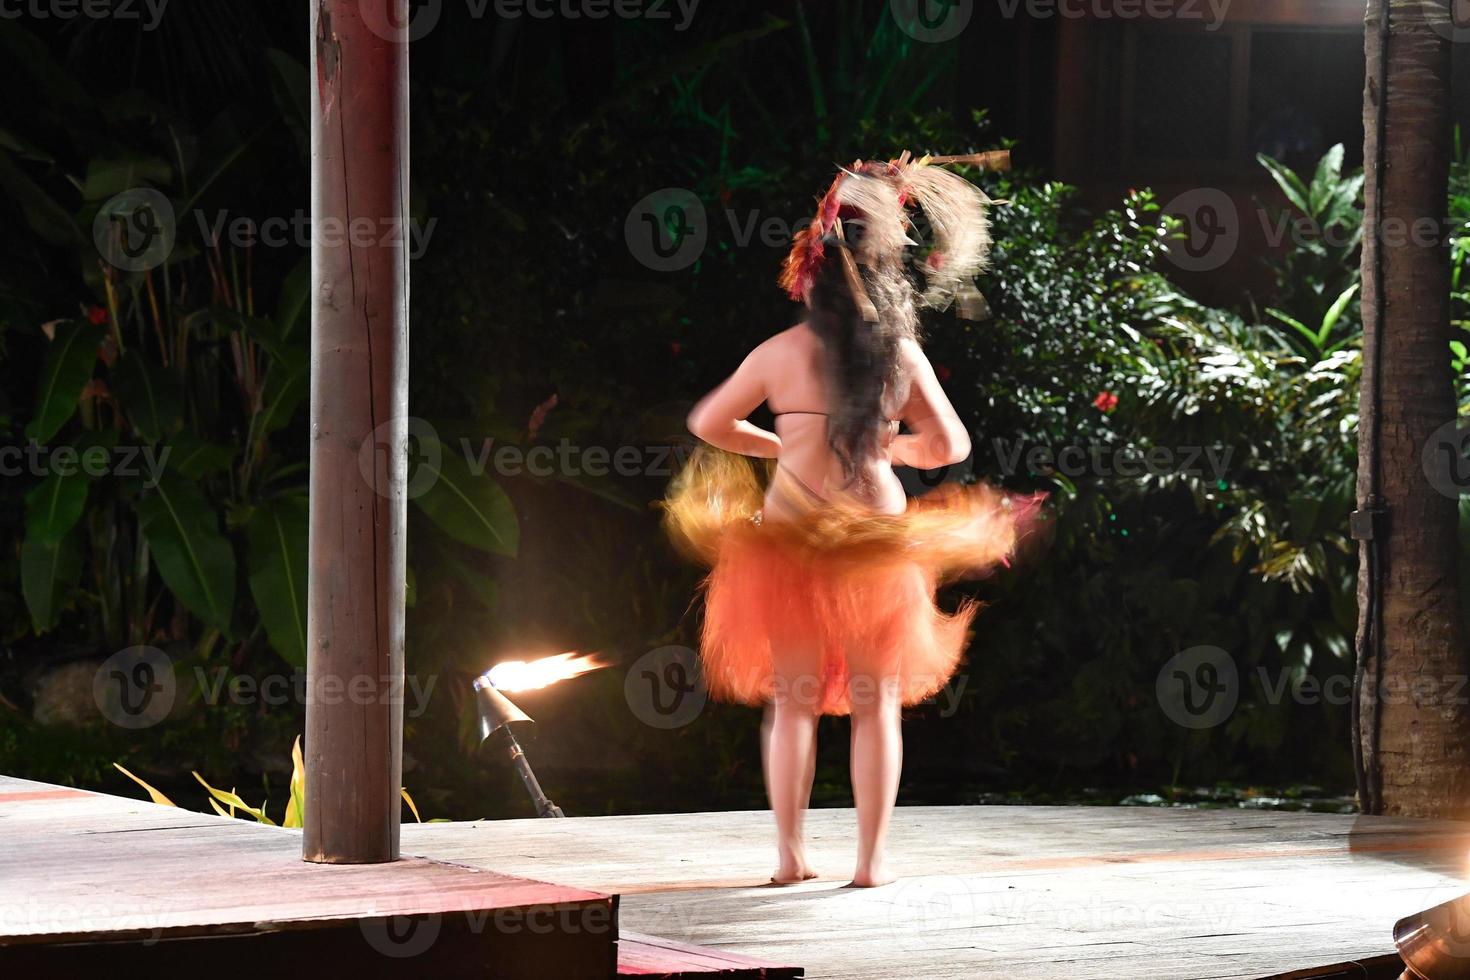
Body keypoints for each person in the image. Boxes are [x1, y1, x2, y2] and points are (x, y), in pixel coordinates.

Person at [665, 152, 1041, 888]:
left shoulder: (779, 353)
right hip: (874, 545)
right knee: (877, 708)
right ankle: (869, 866)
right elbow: (951, 445)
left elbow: (710, 422)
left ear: (813, 274)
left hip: (791, 545)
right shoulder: (900, 357)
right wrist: (890, 446)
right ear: (885, 267)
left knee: (794, 704)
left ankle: (790, 859)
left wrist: (774, 442)